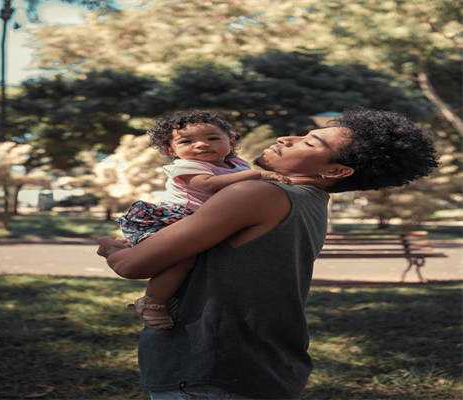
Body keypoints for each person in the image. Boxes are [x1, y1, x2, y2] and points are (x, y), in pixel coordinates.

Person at [97, 109, 438, 399]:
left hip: (207, 368)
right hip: (267, 364)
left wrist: (113, 249)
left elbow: (134, 265)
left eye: (309, 143)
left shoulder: (256, 193)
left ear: (335, 171)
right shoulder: (310, 200)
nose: (286, 138)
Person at [104, 110, 287, 329]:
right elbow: (208, 185)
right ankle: (152, 301)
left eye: (213, 138)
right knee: (182, 260)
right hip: (176, 218)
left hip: (209, 220)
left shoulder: (237, 164)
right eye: (186, 141)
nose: (201, 145)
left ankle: (121, 250)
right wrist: (257, 175)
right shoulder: (187, 166)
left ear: (231, 140)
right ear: (170, 150)